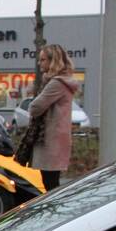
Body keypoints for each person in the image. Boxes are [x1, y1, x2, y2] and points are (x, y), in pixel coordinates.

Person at [27, 44, 79, 191]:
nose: (39, 63)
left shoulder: (56, 83)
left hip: (51, 139)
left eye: (42, 60)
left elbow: (35, 107)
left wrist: (33, 100)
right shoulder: (60, 82)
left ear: (53, 61)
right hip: (58, 137)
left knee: (50, 184)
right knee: (51, 181)